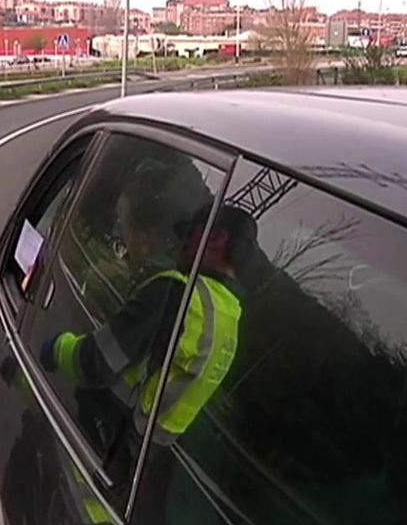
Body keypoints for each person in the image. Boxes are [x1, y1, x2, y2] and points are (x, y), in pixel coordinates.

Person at [42, 195, 256, 523]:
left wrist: (57, 347)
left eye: (191, 232)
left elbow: (93, 362)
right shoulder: (231, 320)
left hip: (104, 445)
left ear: (216, 239)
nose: (182, 242)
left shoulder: (175, 293)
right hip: (147, 465)